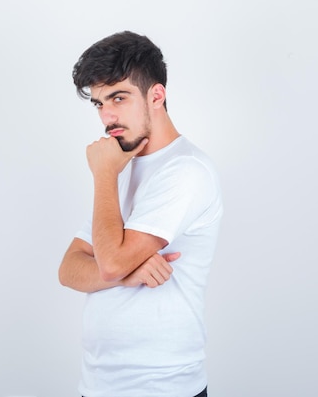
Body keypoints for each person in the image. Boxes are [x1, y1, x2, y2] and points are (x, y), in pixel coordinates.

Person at [58, 31, 223, 397]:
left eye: (118, 97)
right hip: (98, 384)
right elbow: (69, 269)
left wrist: (103, 174)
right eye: (99, 103)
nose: (107, 116)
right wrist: (126, 274)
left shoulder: (185, 171)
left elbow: (110, 262)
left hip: (162, 387)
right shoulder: (122, 164)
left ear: (156, 96)